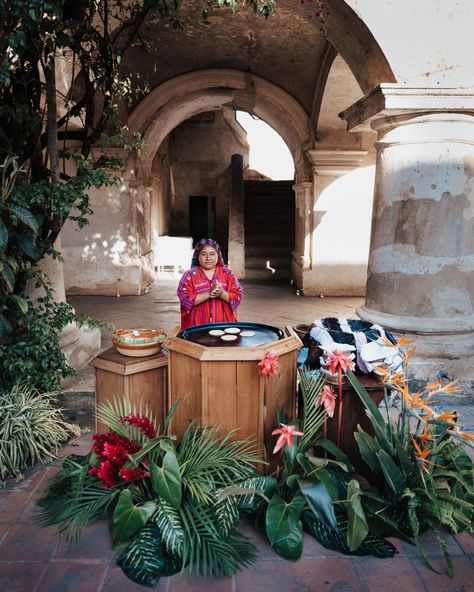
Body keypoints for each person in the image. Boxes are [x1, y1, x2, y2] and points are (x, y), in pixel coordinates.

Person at [177, 238, 243, 329]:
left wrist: (221, 294)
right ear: (197, 256)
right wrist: (209, 293)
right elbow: (185, 300)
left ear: (218, 255)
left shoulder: (227, 274)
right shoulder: (189, 275)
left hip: (224, 325)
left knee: (223, 342)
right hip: (197, 325)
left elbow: (238, 296)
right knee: (197, 342)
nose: (208, 258)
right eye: (204, 254)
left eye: (212, 254)